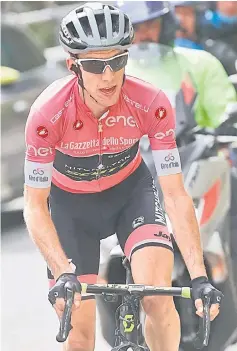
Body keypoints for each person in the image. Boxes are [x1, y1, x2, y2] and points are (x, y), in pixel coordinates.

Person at [23, 3, 223, 351]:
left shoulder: (151, 102)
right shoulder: (47, 114)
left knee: (157, 297)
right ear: (74, 67)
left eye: (118, 61)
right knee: (79, 330)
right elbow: (35, 205)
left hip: (132, 196)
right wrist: (61, 270)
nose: (109, 76)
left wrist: (199, 275)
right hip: (72, 210)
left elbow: (175, 193)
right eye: (96, 65)